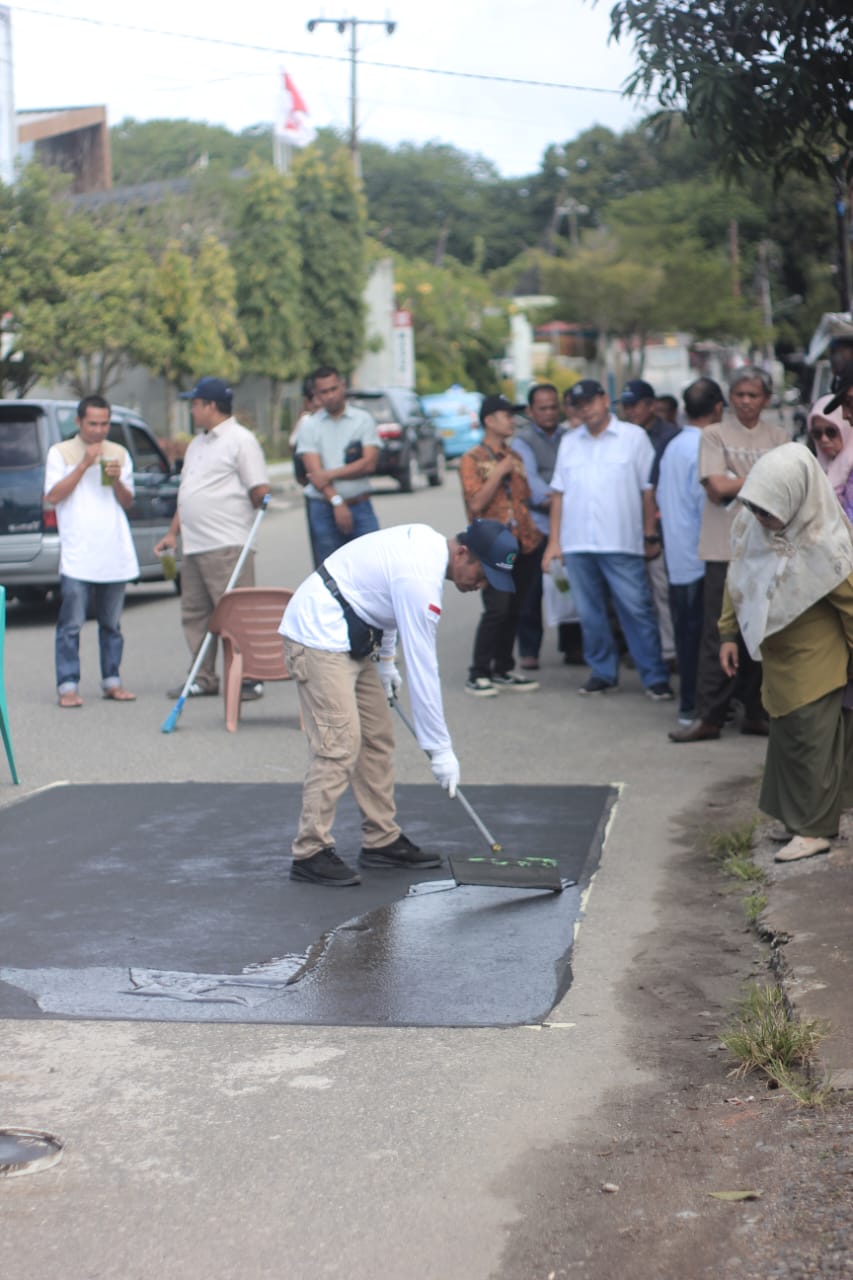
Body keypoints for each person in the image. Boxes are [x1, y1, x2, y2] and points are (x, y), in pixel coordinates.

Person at [280, 519, 520, 886]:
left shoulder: (427, 549)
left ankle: (381, 840)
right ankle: (310, 850)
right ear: (462, 553)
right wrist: (440, 750)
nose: (482, 585)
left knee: (377, 736)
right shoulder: (420, 579)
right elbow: (426, 671)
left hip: (355, 635)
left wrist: (388, 662)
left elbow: (385, 606)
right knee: (339, 745)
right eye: (483, 574)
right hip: (319, 635)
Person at [720, 443, 853, 862]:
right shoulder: (753, 527)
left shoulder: (825, 544)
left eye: (768, 509)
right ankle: (795, 820)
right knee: (786, 740)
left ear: (796, 498)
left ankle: (815, 830)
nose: (760, 517)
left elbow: (851, 606)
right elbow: (737, 575)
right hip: (777, 657)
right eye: (756, 507)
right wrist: (727, 633)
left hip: (816, 660)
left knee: (811, 743)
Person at [670, 365, 788, 743]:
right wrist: (762, 478)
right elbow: (717, 487)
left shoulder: (780, 436)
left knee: (764, 631)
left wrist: (740, 478)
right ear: (729, 399)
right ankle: (710, 716)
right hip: (723, 549)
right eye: (739, 395)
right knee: (718, 633)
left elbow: (788, 491)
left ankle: (755, 711)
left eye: (753, 395)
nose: (746, 402)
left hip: (768, 550)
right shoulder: (713, 434)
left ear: (766, 400)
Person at [542, 379, 674, 700]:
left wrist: (648, 534)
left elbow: (648, 490)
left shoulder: (633, 438)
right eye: (578, 404)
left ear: (604, 399)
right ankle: (603, 673)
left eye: (590, 401)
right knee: (589, 614)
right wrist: (554, 543)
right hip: (577, 543)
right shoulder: (570, 441)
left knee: (637, 610)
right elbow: (558, 493)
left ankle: (654, 676)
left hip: (622, 540)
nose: (585, 408)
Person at [155, 376, 271, 700]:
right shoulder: (197, 444)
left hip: (227, 542)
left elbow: (258, 489)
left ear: (210, 405)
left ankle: (249, 676)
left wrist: (261, 501)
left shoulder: (240, 440)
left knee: (235, 613)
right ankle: (203, 677)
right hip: (195, 543)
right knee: (195, 613)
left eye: (194, 404)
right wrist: (172, 533)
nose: (191, 410)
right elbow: (188, 493)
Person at [44, 394, 139, 708]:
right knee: (71, 624)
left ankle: (112, 681)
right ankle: (67, 686)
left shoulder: (119, 453)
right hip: (78, 553)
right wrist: (84, 464)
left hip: (113, 550)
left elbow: (128, 501)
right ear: (79, 422)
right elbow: (53, 496)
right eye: (93, 423)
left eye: (105, 423)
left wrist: (117, 482)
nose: (100, 430)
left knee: (112, 624)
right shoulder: (60, 453)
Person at [458, 394, 542, 696]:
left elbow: (525, 497)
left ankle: (503, 668)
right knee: (497, 609)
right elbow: (476, 503)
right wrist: (499, 472)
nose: (512, 421)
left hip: (524, 542)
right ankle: (478, 671)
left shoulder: (515, 457)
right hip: (492, 545)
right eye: (506, 415)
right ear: (489, 420)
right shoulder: (472, 459)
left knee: (516, 609)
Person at [654, 378, 725, 726]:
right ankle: (699, 709)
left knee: (688, 636)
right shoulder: (706, 445)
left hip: (679, 555)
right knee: (706, 640)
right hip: (702, 556)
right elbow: (709, 503)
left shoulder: (672, 445)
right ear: (718, 408)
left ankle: (688, 708)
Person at [512, 382, 582, 669]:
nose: (549, 413)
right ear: (530, 411)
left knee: (570, 587)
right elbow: (531, 483)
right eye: (543, 408)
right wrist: (563, 496)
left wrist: (565, 497)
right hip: (536, 525)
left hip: (570, 524)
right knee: (530, 592)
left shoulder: (572, 436)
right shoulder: (522, 441)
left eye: (554, 406)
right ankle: (529, 650)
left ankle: (574, 646)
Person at [620, 378, 680, 665]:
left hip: (660, 529)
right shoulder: (621, 436)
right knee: (635, 596)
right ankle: (644, 650)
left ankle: (669, 651)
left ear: (651, 405)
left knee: (662, 593)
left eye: (635, 405)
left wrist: (652, 533)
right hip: (625, 527)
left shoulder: (669, 436)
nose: (630, 411)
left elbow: (664, 488)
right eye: (625, 406)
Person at [295, 365, 380, 565]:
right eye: (324, 392)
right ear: (316, 395)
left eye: (334, 389)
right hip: (323, 507)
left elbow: (368, 464)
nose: (331, 396)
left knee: (371, 566)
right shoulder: (309, 426)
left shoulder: (363, 420)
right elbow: (315, 475)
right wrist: (336, 502)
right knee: (329, 571)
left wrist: (329, 474)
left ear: (343, 386)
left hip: (360, 504)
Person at [806, 393, 853, 520]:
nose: (824, 439)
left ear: (846, 429)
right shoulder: (813, 468)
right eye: (817, 433)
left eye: (831, 432)